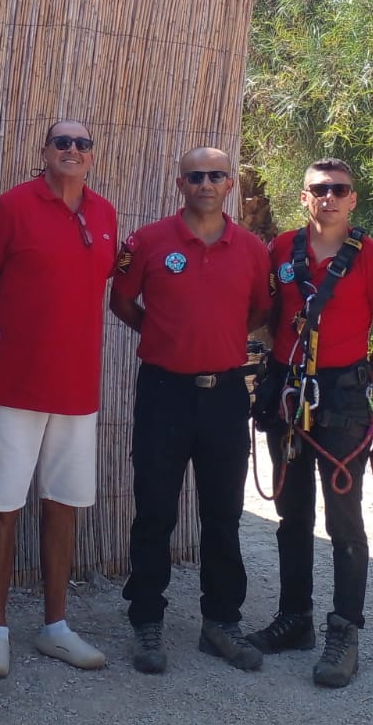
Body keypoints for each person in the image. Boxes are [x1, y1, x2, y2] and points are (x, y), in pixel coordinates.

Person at [0, 118, 118, 678]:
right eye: (62, 142)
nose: (73, 150)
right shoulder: (12, 206)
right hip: (11, 384)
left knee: (63, 505)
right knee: (1, 508)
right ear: (44, 150)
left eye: (83, 143)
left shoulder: (104, 214)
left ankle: (55, 627)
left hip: (77, 390)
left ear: (92, 155)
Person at [109, 147, 270, 675]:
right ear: (179, 183)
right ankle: (146, 619)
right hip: (163, 391)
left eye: (216, 175)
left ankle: (221, 622)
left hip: (224, 394)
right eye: (195, 175)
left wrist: (218, 341)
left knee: (223, 512)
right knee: (155, 509)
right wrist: (165, 338)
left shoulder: (250, 248)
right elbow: (123, 301)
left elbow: (259, 310)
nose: (205, 182)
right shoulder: (147, 242)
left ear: (230, 185)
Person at [247, 159, 373, 688]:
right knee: (292, 515)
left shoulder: (372, 258)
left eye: (339, 190)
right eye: (320, 189)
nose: (330, 198)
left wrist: (358, 384)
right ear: (304, 197)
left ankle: (346, 630)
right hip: (289, 393)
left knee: (344, 518)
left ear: (353, 199)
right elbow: (268, 319)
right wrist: (286, 366)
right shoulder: (281, 250)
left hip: (342, 396)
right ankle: (296, 619)